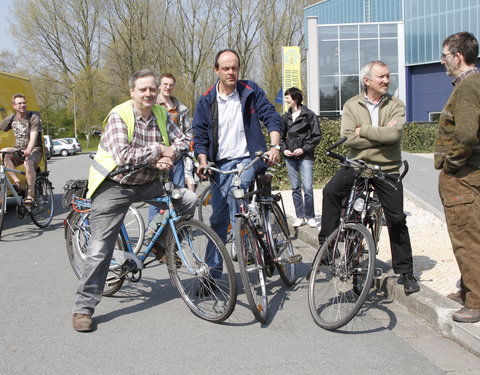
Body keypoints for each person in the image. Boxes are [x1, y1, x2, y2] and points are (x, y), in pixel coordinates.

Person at [72, 69, 197, 332]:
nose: (149, 93)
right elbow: (122, 155)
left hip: (147, 183)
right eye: (143, 89)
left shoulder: (162, 114)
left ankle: (158, 245)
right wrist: (158, 151)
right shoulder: (120, 115)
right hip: (114, 185)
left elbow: (185, 138)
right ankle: (83, 308)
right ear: (132, 92)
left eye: (152, 88)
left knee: (188, 199)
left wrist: (171, 152)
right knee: (99, 250)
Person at [318, 60, 420, 294]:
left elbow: (394, 135)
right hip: (358, 165)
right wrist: (380, 135)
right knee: (331, 192)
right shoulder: (352, 105)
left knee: (396, 218)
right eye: (381, 77)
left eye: (387, 76)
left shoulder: (396, 104)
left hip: (388, 168)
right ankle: (328, 245)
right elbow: (347, 138)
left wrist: (362, 130)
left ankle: (405, 271)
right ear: (366, 80)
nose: (386, 80)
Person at [192, 49, 282, 280]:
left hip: (248, 159)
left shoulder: (250, 91)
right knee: (217, 220)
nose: (231, 72)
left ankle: (245, 245)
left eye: (234, 67)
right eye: (225, 68)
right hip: (220, 165)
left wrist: (274, 147)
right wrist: (202, 161)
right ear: (216, 70)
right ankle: (212, 274)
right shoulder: (206, 99)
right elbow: (200, 135)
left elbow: (271, 116)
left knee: (237, 193)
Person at [435, 31, 480, 323]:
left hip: (462, 176)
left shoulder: (467, 86)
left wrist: (451, 164)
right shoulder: (474, 83)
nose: (442, 62)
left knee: (466, 237)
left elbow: (464, 135)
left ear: (458, 57)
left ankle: (474, 301)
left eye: (445, 56)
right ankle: (468, 289)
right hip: (470, 174)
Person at [147, 72, 191, 222]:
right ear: (159, 86)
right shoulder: (152, 105)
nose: (168, 87)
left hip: (177, 159)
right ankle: (152, 233)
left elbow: (188, 133)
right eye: (165, 84)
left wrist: (177, 150)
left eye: (171, 85)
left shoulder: (182, 108)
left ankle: (176, 228)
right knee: (156, 196)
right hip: (157, 158)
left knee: (177, 193)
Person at [280, 87, 322, 229]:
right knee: (295, 187)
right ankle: (300, 216)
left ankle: (310, 216)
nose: (286, 100)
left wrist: (303, 149)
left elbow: (317, 136)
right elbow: (280, 136)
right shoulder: (285, 117)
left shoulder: (309, 115)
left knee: (308, 187)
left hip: (305, 156)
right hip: (290, 157)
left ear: (296, 99)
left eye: (288, 98)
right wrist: (284, 150)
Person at [0, 94, 43, 204]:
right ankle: (16, 181)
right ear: (14, 106)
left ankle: (30, 194)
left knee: (28, 163)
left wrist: (28, 150)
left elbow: (33, 137)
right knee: (3, 153)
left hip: (34, 150)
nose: (22, 105)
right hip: (18, 149)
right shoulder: (11, 118)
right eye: (19, 103)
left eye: (24, 103)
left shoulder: (33, 118)